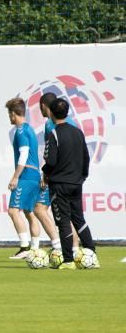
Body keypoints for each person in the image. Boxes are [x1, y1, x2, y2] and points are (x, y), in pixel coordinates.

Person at [42, 98, 99, 269]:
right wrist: (83, 176)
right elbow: (86, 158)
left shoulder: (54, 134)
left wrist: (45, 174)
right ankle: (91, 255)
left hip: (59, 184)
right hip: (76, 183)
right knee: (79, 219)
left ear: (51, 113)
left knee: (63, 221)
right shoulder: (78, 132)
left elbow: (51, 161)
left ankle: (68, 261)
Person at [4, 98, 61, 259]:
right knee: (30, 212)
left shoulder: (21, 131)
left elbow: (23, 154)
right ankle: (35, 248)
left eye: (9, 114)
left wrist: (15, 177)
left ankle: (24, 247)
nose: (9, 117)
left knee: (13, 211)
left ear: (14, 114)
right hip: (35, 174)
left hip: (26, 175)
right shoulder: (29, 129)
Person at [36, 92, 79, 255]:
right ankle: (73, 249)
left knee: (39, 208)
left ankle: (59, 246)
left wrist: (45, 175)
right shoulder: (72, 123)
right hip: (72, 174)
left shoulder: (49, 124)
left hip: (57, 175)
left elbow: (50, 154)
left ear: (43, 106)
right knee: (68, 213)